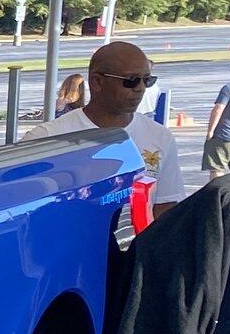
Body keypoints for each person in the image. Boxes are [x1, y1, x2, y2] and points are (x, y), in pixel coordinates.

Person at [35, 40, 187, 210]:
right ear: (97, 82)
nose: (141, 88)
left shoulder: (160, 137)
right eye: (131, 80)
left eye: (147, 80)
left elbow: (166, 206)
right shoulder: (47, 138)